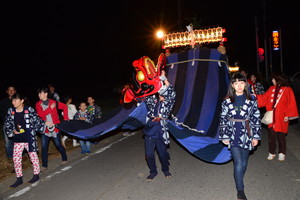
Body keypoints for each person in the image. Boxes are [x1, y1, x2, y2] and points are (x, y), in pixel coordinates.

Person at [219, 72, 261, 200]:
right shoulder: (226, 101)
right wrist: (224, 136)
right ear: (232, 85)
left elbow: (255, 118)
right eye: (236, 83)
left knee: (244, 162)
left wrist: (256, 137)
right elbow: (223, 119)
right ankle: (240, 190)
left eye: (241, 83)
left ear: (245, 84)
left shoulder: (251, 100)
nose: (239, 86)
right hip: (232, 134)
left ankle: (239, 178)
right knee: (238, 163)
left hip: (247, 134)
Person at [4, 93, 45, 187]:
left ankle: (36, 174)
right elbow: (7, 124)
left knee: (33, 156)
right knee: (16, 158)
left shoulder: (29, 110)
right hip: (18, 139)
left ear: (22, 100)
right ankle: (19, 178)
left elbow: (37, 121)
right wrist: (13, 131)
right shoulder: (11, 111)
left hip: (29, 138)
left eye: (15, 100)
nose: (13, 102)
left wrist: (45, 125)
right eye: (12, 100)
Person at [255, 73, 299, 161]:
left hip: (282, 117)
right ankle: (272, 152)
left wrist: (288, 115)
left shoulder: (287, 89)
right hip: (272, 117)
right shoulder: (271, 89)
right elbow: (263, 98)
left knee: (281, 137)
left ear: (278, 79)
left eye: (273, 79)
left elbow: (291, 103)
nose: (272, 81)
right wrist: (254, 96)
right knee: (271, 136)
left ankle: (282, 153)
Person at [143, 72, 176, 181]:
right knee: (149, 155)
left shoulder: (168, 103)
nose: (161, 92)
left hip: (161, 133)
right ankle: (153, 171)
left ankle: (165, 169)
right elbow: (146, 94)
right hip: (149, 132)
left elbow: (172, 92)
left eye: (163, 91)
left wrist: (165, 78)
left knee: (162, 154)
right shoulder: (153, 101)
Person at [35, 87, 69, 172]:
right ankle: (44, 165)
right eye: (38, 93)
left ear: (46, 94)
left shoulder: (54, 102)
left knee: (58, 144)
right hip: (45, 129)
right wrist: (50, 108)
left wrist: (65, 118)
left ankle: (64, 158)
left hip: (55, 128)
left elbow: (65, 107)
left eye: (41, 93)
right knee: (44, 147)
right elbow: (41, 115)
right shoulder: (38, 104)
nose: (39, 95)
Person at [0, 85, 17, 160]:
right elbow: (1, 113)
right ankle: (10, 157)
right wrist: (6, 123)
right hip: (7, 125)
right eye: (9, 90)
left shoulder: (18, 100)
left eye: (12, 90)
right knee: (8, 142)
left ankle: (22, 155)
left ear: (15, 91)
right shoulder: (3, 102)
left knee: (19, 139)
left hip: (18, 124)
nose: (11, 91)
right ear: (7, 91)